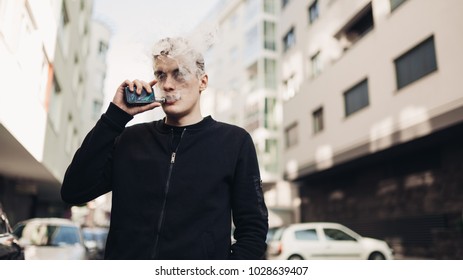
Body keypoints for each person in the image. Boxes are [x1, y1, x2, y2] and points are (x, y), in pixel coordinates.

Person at [61, 37, 268, 260]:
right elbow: (74, 191)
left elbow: (253, 229)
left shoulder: (234, 142)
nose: (168, 84)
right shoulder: (129, 139)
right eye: (161, 75)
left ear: (202, 82)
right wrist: (115, 117)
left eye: (179, 73)